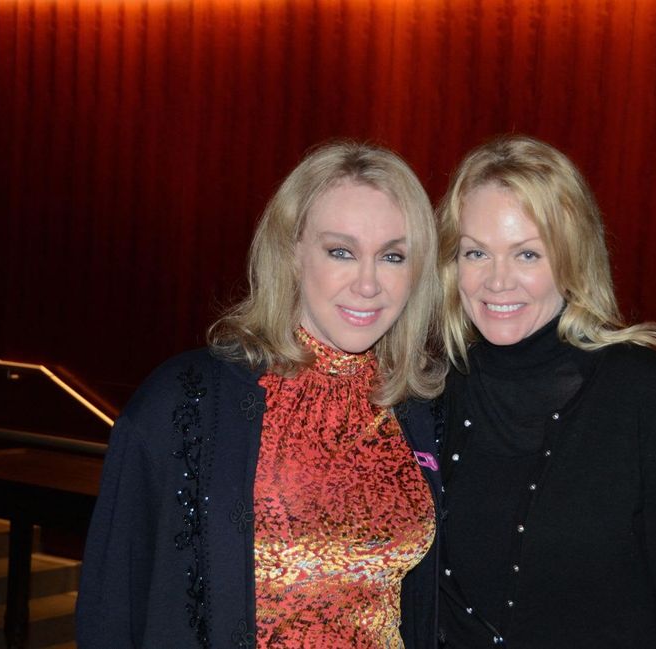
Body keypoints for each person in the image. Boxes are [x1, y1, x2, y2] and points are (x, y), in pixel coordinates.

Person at [76, 141, 446, 649]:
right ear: (292, 252)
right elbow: (112, 605)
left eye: (392, 256)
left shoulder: (420, 408)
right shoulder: (184, 402)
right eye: (341, 251)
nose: (368, 283)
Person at [435, 135, 656, 648]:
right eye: (476, 252)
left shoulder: (642, 391)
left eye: (527, 254)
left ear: (572, 258)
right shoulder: (426, 389)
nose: (497, 281)